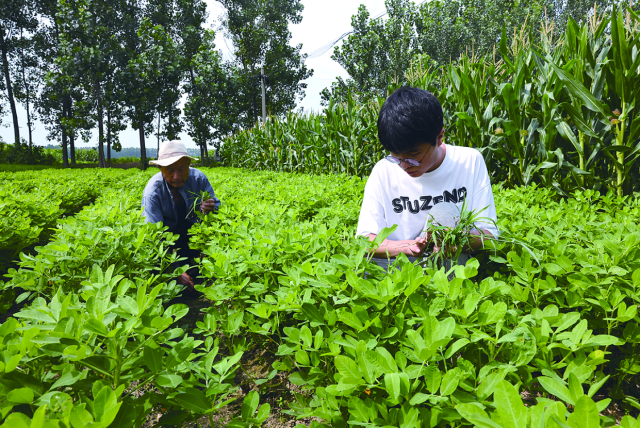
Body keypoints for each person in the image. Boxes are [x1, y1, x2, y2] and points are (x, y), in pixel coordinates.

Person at [356, 86, 499, 269]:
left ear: (439, 137)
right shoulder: (383, 170)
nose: (404, 166)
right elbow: (365, 239)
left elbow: (489, 233)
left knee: (444, 210)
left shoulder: (469, 162)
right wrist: (408, 246)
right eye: (396, 157)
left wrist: (457, 241)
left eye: (412, 156)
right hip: (399, 267)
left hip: (451, 265)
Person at [141, 140, 220, 289]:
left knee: (194, 265)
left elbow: (216, 206)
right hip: (167, 238)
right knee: (157, 266)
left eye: (182, 169)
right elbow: (154, 236)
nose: (177, 176)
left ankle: (194, 266)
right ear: (160, 169)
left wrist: (210, 208)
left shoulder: (199, 179)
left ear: (189, 166)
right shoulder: (152, 192)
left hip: (190, 233)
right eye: (170, 170)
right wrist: (176, 270)